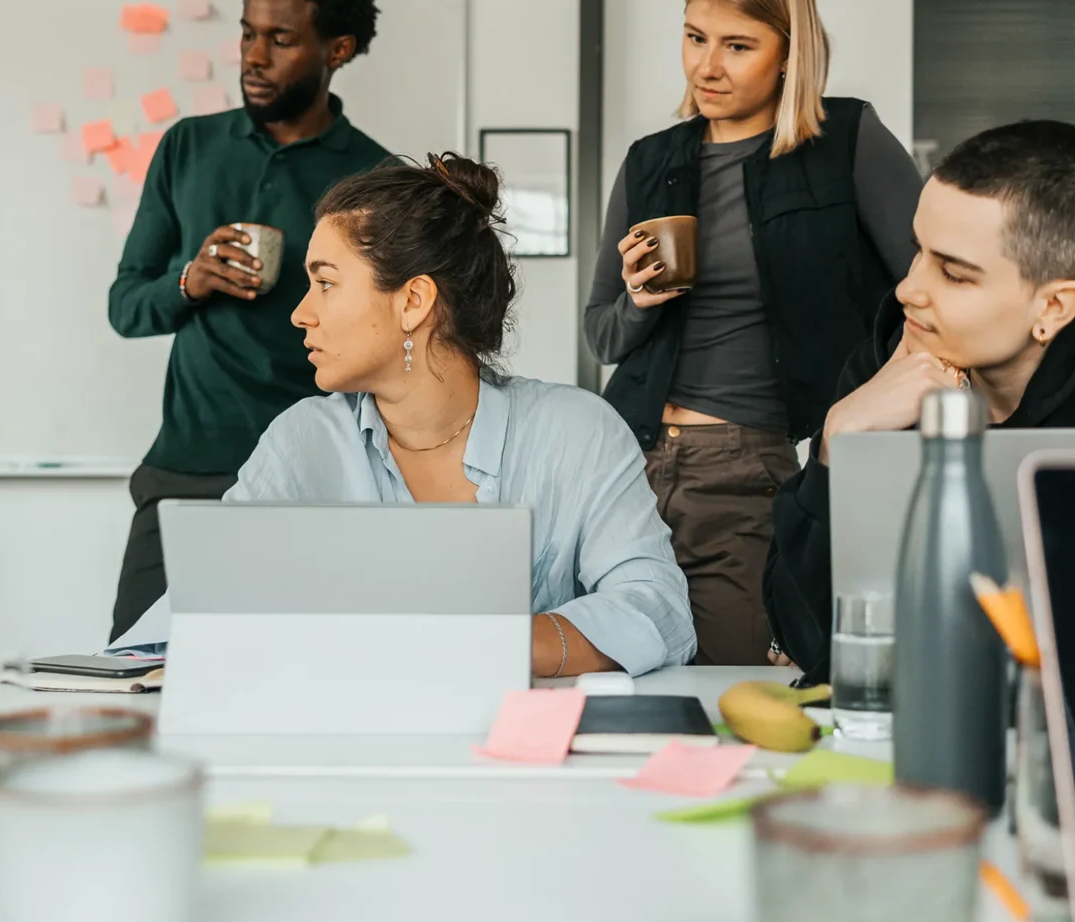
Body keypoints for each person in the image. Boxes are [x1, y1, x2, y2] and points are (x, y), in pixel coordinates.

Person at [117, 154, 697, 672]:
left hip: (524, 760)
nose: (300, 314)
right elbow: (199, 610)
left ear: (414, 301)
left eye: (325, 284)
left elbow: (658, 609)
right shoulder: (302, 440)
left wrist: (488, 646)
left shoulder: (575, 431)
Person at [764, 121, 1075, 683]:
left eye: (953, 273)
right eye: (918, 252)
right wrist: (837, 443)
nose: (908, 289)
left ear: (1054, 307)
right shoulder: (886, 363)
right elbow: (808, 640)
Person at [585, 0, 922, 667]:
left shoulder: (847, 142)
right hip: (625, 463)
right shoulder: (651, 161)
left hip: (748, 469)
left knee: (725, 680)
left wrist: (881, 406)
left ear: (789, 49)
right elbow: (603, 338)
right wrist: (641, 299)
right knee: (621, 676)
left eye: (738, 45)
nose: (708, 65)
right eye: (695, 37)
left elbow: (928, 293)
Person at [106, 0, 390, 641]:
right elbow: (126, 305)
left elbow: (390, 339)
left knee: (310, 671)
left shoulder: (376, 177)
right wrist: (189, 281)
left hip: (317, 473)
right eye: (247, 33)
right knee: (137, 669)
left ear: (339, 48)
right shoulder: (187, 147)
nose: (254, 57)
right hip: (187, 467)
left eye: (281, 39)